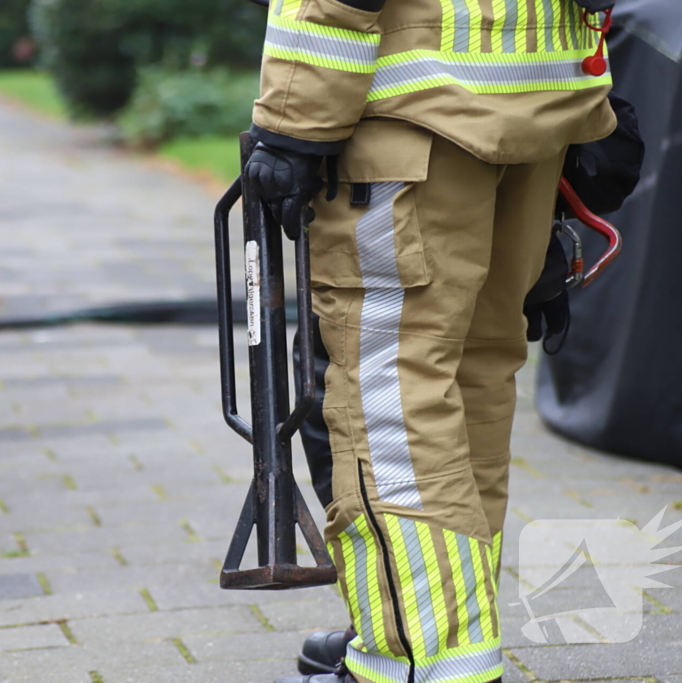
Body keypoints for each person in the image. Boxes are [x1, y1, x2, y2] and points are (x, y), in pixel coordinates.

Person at [243, 1, 617, 682]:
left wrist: (295, 120)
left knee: (395, 389)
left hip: (408, 114)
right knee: (473, 377)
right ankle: (451, 640)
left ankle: (416, 655)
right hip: (534, 101)